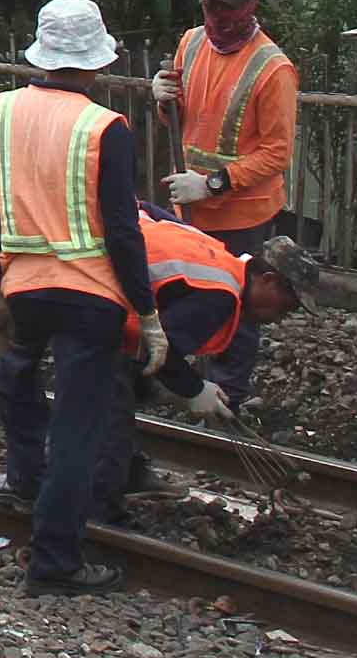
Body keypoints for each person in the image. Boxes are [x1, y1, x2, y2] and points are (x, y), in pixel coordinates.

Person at [0, 0, 163, 597]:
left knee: (19, 382)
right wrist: (148, 311)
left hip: (23, 288)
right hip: (92, 298)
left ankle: (24, 479)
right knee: (78, 429)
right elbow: (123, 229)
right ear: (97, 61)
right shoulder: (105, 128)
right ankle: (55, 561)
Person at [93, 205, 323, 520]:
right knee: (112, 408)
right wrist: (194, 389)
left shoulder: (217, 254)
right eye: (287, 307)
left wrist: (169, 387)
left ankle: (127, 474)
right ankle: (98, 514)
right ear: (268, 280)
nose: (280, 319)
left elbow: (145, 209)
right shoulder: (220, 295)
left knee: (129, 388)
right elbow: (163, 349)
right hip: (93, 298)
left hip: (94, 283)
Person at [153, 0, 299, 400]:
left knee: (238, 308)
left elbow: (277, 152)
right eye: (211, 8)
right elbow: (181, 120)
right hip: (192, 207)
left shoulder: (273, 69)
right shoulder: (191, 44)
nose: (218, 18)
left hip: (240, 212)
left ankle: (229, 394)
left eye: (228, 9)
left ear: (252, 5)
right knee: (193, 299)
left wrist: (214, 183)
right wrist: (161, 99)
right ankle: (186, 382)